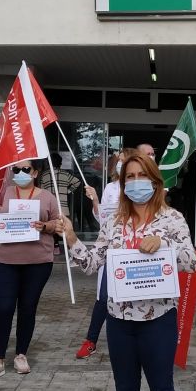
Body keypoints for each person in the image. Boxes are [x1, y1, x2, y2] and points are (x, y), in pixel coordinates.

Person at [62, 151, 196, 391]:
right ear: (123, 184)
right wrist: (71, 237)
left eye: (142, 176)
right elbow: (91, 264)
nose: (136, 183)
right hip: (119, 323)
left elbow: (191, 262)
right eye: (130, 178)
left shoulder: (172, 218)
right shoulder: (113, 222)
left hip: (158, 323)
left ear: (155, 181)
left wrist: (164, 245)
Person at [0, 160, 63, 381]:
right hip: (4, 260)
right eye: (16, 169)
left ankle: (21, 354)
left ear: (35, 172)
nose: (20, 173)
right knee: (4, 308)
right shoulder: (1, 194)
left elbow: (58, 224)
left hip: (38, 262)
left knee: (28, 308)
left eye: (26, 169)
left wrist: (45, 226)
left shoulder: (47, 197)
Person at [75, 148, 132, 359]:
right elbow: (102, 220)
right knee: (105, 296)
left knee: (131, 296)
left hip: (134, 251)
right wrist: (95, 201)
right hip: (112, 250)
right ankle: (91, 340)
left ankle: (129, 342)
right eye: (119, 161)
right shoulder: (111, 187)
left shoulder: (140, 188)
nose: (121, 164)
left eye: (125, 160)